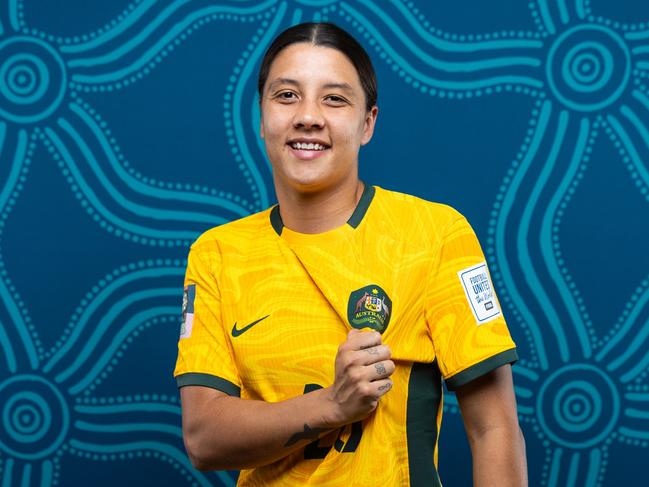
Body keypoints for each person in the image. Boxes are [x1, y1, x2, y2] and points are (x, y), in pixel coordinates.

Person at [174, 22, 527, 486]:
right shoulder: (218, 253)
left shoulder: (434, 234)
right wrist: (333, 404)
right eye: (286, 96)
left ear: (367, 123)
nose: (308, 116)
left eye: (334, 98)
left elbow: (494, 428)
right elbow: (204, 438)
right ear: (262, 118)